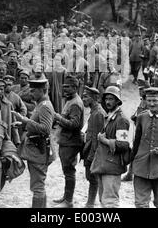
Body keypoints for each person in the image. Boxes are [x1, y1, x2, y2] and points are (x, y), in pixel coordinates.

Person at [12, 79, 55, 208]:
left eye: (33, 90)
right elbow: (38, 123)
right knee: (39, 185)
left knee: (38, 187)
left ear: (42, 90)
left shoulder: (45, 106)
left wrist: (24, 120)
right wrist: (23, 123)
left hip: (39, 151)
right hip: (37, 150)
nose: (30, 93)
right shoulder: (41, 104)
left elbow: (46, 129)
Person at [90, 86, 130, 208]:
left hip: (113, 166)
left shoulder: (121, 119)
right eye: (106, 98)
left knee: (110, 202)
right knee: (103, 199)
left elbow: (123, 145)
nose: (108, 102)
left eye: (111, 99)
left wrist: (104, 140)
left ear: (117, 101)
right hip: (105, 164)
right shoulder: (110, 116)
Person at [52, 75, 84, 208]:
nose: (64, 89)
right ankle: (66, 197)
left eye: (68, 87)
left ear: (75, 88)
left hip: (71, 142)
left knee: (69, 171)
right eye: (64, 86)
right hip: (66, 140)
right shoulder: (70, 100)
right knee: (67, 171)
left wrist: (58, 117)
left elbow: (75, 124)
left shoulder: (75, 103)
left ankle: (68, 201)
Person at [81, 86, 105, 208]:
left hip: (93, 152)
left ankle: (91, 203)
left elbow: (98, 138)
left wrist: (92, 156)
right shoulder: (93, 112)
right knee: (90, 177)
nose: (83, 99)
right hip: (89, 150)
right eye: (83, 96)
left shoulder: (99, 114)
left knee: (93, 178)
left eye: (86, 96)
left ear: (94, 98)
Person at [122, 79, 150, 182]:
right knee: (134, 151)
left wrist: (137, 118)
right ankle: (130, 173)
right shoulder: (142, 100)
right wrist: (134, 116)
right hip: (138, 131)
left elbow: (146, 116)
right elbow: (138, 113)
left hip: (144, 132)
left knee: (140, 153)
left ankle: (136, 174)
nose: (140, 91)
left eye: (141, 89)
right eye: (139, 89)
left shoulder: (148, 101)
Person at [0, 79, 21, 147]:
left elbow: (13, 123)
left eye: (1, 89)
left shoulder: (8, 104)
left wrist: (17, 140)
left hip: (6, 137)